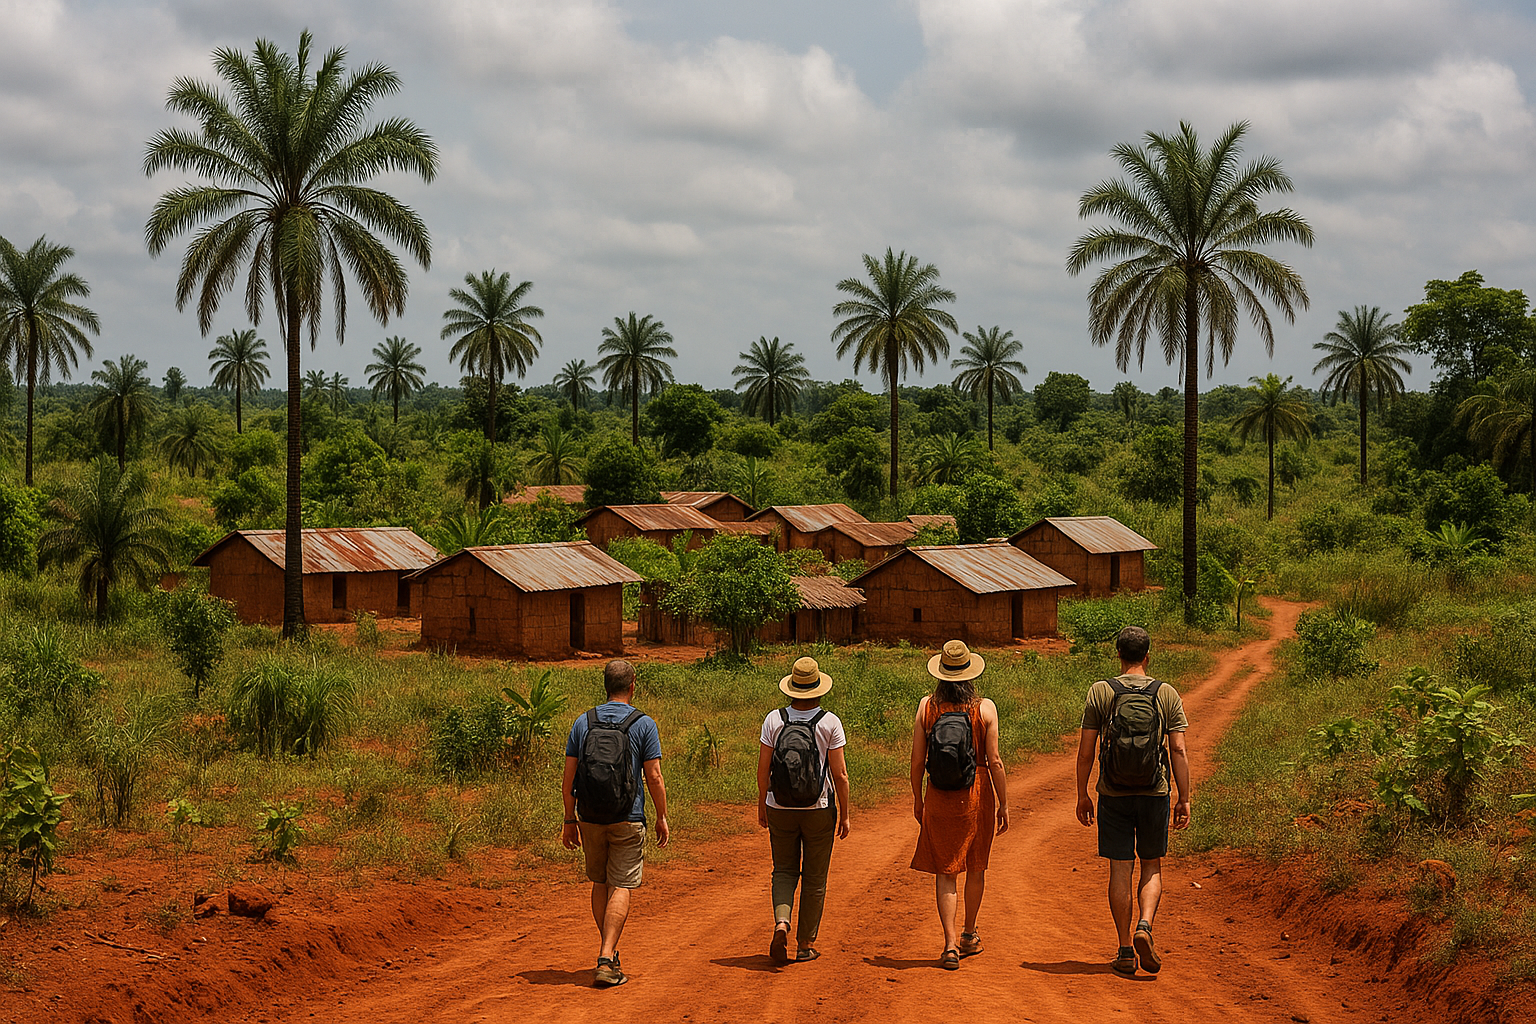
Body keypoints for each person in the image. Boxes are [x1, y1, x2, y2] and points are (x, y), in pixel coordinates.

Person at [1074, 625, 1191, 977]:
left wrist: (1083, 794)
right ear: (1147, 656)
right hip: (1154, 791)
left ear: (1119, 655)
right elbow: (1179, 749)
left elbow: (1086, 752)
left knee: (1120, 868)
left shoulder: (1101, 691)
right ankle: (1145, 925)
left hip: (1112, 792)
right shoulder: (1165, 693)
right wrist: (1184, 798)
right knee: (1151, 865)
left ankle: (1125, 949)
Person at [561, 660, 669, 988]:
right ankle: (606, 957)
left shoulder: (583, 722)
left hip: (590, 816)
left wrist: (570, 818)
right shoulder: (644, 724)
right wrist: (662, 815)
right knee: (621, 884)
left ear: (605, 685)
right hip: (627, 817)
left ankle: (609, 950)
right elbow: (653, 775)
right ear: (632, 684)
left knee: (600, 881)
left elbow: (568, 779)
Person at [910, 640, 1009, 970]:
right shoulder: (985, 709)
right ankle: (969, 933)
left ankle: (950, 944)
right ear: (970, 673)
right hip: (977, 793)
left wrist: (918, 798)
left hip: (939, 794)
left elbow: (916, 761)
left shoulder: (927, 707)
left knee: (946, 871)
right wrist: (1004, 803)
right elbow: (994, 760)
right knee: (976, 865)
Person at [757, 656, 851, 965]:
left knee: (783, 870)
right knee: (815, 877)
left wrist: (762, 802)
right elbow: (840, 775)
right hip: (818, 808)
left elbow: (763, 769)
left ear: (792, 688)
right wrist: (846, 814)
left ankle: (781, 922)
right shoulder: (829, 722)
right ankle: (804, 944)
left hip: (778, 806)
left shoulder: (774, 719)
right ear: (818, 689)